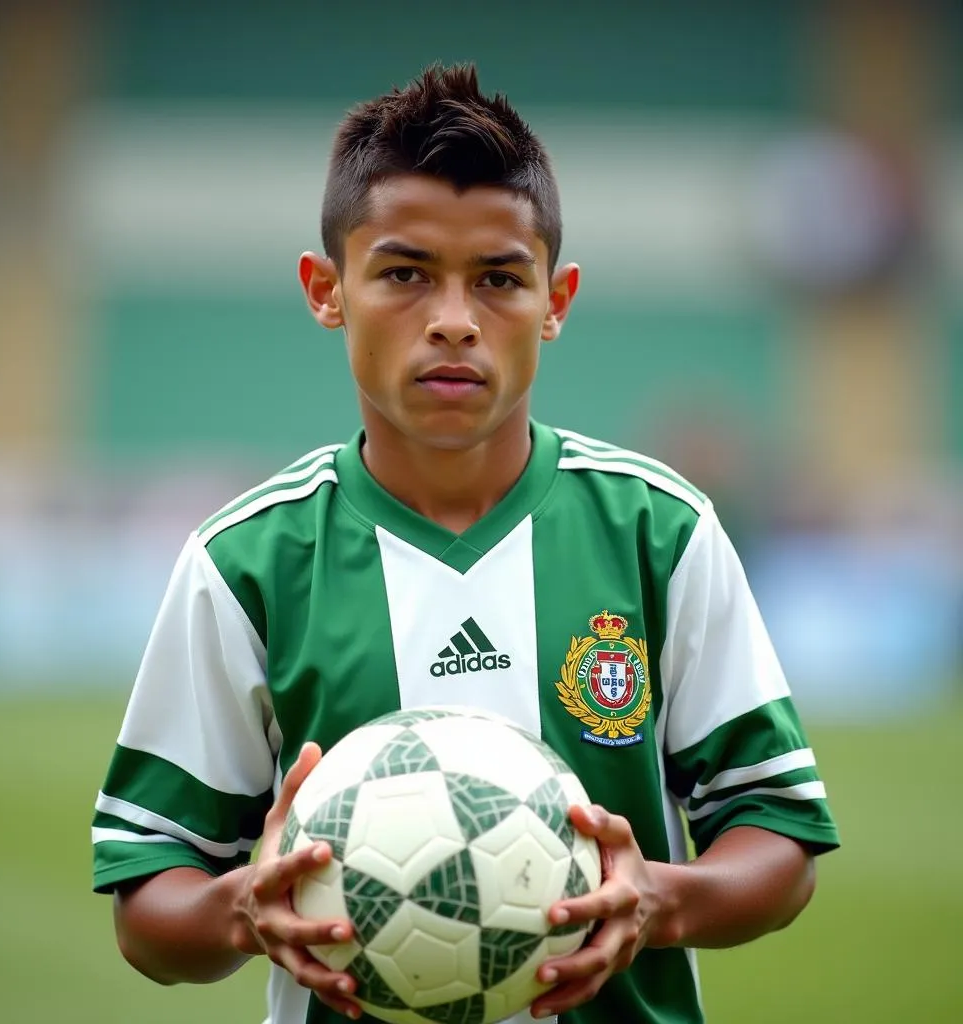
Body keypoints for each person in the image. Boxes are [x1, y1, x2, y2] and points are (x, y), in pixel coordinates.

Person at [92, 63, 840, 1024]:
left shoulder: (659, 530)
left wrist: (660, 897)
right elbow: (148, 908)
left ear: (557, 300)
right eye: (405, 274)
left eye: (498, 280)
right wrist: (244, 908)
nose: (453, 321)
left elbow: (777, 838)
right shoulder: (246, 563)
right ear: (327, 290)